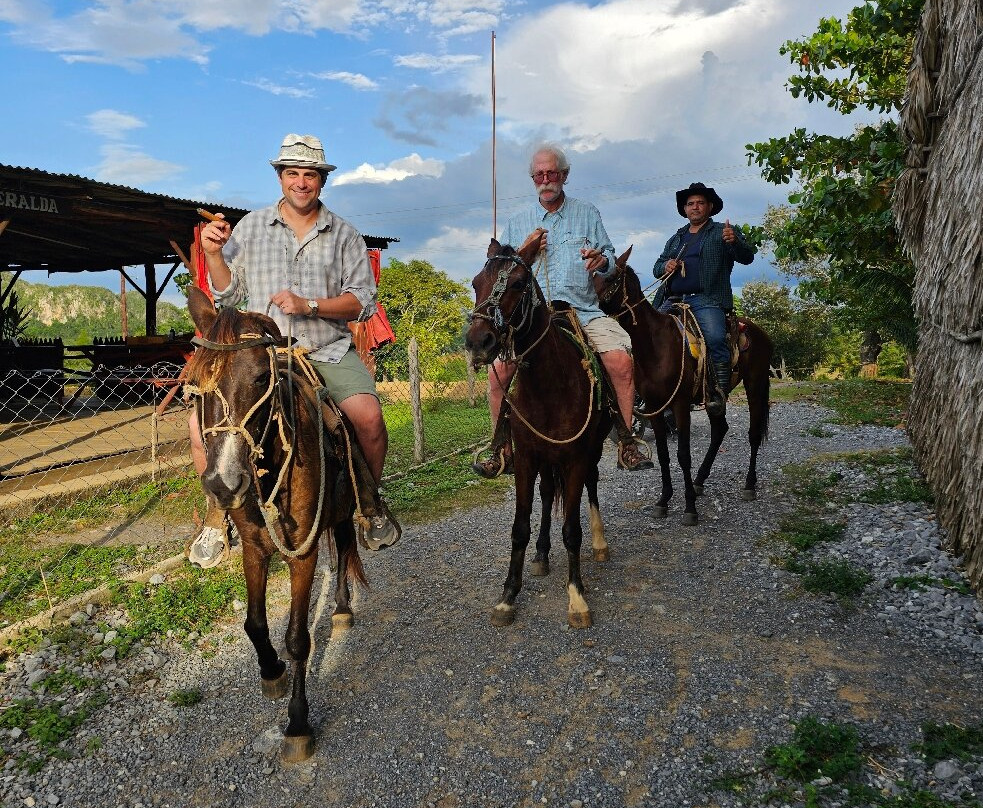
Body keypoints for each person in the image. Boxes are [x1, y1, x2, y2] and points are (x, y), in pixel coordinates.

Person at [186, 133, 399, 567]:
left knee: (369, 419)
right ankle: (217, 516)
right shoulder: (249, 228)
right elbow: (229, 296)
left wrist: (310, 305)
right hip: (260, 357)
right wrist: (213, 255)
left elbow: (363, 301)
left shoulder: (344, 234)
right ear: (280, 177)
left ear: (322, 180)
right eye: (292, 174)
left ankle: (368, 503)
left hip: (325, 351)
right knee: (197, 426)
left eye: (309, 175)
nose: (301, 182)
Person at [472, 143, 653, 478]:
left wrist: (602, 262)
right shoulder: (518, 222)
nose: (545, 179)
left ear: (564, 175)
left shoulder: (587, 212)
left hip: (580, 311)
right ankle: (502, 450)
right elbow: (496, 269)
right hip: (530, 320)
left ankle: (626, 442)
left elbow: (612, 260)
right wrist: (527, 249)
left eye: (551, 172)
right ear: (533, 179)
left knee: (621, 361)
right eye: (539, 174)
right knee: (498, 375)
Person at [652, 182, 756, 416]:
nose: (695, 207)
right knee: (648, 336)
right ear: (685, 209)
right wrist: (665, 265)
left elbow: (747, 257)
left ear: (710, 207)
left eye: (700, 203)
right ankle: (654, 392)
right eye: (690, 204)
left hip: (707, 299)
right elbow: (657, 267)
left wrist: (735, 242)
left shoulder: (723, 231)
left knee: (716, 338)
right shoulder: (676, 238)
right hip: (673, 298)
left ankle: (718, 391)